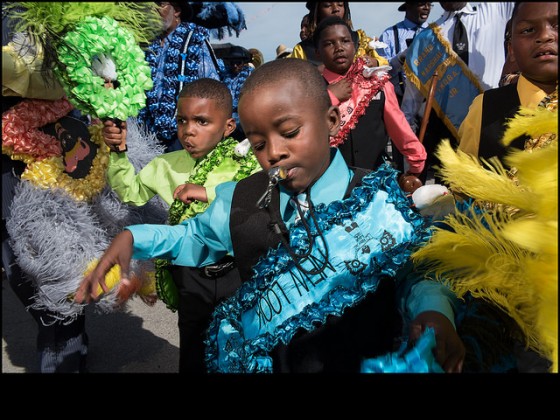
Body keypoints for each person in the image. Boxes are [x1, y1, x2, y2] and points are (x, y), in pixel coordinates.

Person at [75, 58, 466, 374]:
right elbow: (193, 237)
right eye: (259, 143)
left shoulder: (379, 197)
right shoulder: (242, 198)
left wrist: (433, 310)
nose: (274, 152)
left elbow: (417, 273)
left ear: (331, 121)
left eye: (290, 131)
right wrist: (133, 237)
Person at [103, 78, 260, 373]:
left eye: (202, 121)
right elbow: (131, 192)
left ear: (228, 127)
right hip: (189, 274)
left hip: (236, 271)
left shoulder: (245, 162)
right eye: (182, 120)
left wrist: (210, 193)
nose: (189, 131)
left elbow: (261, 195)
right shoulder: (165, 165)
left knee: (242, 343)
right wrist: (118, 152)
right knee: (194, 345)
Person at [401, 2, 515, 184]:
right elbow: (409, 107)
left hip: (495, 128)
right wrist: (409, 161)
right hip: (448, 141)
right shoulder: (425, 39)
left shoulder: (496, 10)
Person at [316, 17, 426, 180]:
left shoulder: (376, 83)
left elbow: (400, 128)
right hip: (330, 184)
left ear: (355, 46)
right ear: (317, 52)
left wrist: (416, 165)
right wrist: (330, 97)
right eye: (329, 44)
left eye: (345, 41)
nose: (338, 48)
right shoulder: (312, 89)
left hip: (375, 180)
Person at [136, 1, 246, 152]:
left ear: (177, 11)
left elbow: (211, 90)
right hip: (149, 137)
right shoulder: (147, 46)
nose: (154, 10)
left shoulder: (194, 39)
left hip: (185, 137)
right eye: (151, 6)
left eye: (161, 4)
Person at [458, 2, 557, 166]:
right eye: (528, 30)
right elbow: (463, 184)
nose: (545, 35)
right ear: (511, 50)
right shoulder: (485, 109)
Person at [289, 2, 388, 68]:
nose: (336, 9)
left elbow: (385, 63)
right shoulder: (303, 50)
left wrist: (374, 62)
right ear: (317, 11)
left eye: (340, 4)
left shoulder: (360, 39)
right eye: (328, 5)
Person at [378, 2, 433, 103]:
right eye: (421, 4)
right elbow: (380, 72)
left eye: (429, 4)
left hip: (429, 104)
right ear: (408, 6)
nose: (426, 8)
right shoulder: (389, 35)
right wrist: (400, 59)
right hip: (398, 102)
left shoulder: (436, 34)